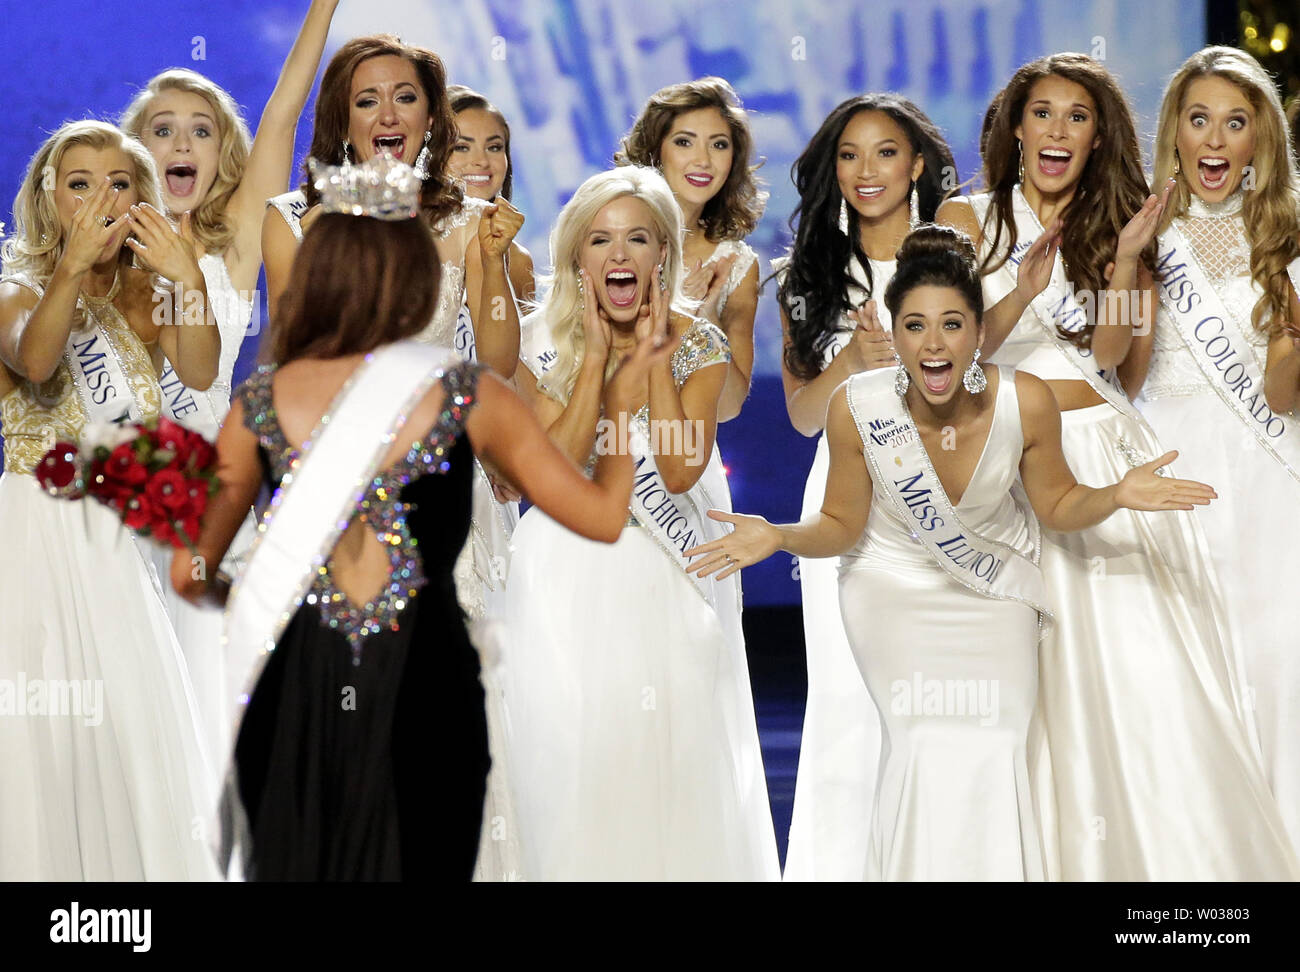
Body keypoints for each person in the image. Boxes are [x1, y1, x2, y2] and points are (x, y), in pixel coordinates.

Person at [172, 153, 666, 881]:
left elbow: (190, 571)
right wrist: (622, 405)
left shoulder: (260, 401)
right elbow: (599, 516)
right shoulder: (468, 393)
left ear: (318, 271)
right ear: (413, 274)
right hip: (428, 688)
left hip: (298, 689)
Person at [687, 225, 1224, 881]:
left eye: (951, 324)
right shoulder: (858, 407)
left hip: (993, 601)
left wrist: (1115, 493)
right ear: (897, 331)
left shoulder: (1024, 400)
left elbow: (1057, 506)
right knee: (922, 747)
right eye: (914, 326)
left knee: (995, 749)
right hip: (891, 593)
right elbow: (838, 525)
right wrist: (778, 535)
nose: (933, 342)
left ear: (977, 331)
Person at [939, 52, 1299, 879]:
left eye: (1078, 116)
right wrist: (1057, 284)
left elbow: (1115, 367)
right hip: (1040, 455)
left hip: (1168, 455)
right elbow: (957, 351)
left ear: (1101, 136)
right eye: (1043, 114)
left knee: (1242, 666)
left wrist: (1130, 261)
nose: (1057, 131)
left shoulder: (1127, 223)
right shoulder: (983, 219)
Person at [503, 166, 779, 880]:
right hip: (560, 573)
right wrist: (594, 358)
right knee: (571, 752)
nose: (619, 256)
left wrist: (654, 355)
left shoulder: (701, 344)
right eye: (600, 240)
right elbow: (551, 471)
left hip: (659, 574)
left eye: (638, 239)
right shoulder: (536, 341)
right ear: (575, 257)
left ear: (664, 255)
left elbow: (682, 468)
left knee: (666, 755)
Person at [120, 0, 337, 771]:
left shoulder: (235, 242)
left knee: (211, 719)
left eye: (201, 130)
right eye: (163, 128)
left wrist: (325, 6)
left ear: (222, 156)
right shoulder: (97, 259)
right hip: (110, 513)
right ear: (132, 153)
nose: (182, 141)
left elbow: (282, 116)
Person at [0, 120, 220, 879]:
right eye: (80, 184)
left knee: (125, 736)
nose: (99, 199)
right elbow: (35, 359)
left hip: (110, 554)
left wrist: (188, 279)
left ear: (141, 199)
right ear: (48, 198)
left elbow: (199, 369)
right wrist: (69, 270)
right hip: (33, 544)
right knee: (43, 742)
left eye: (119, 183)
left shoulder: (144, 299)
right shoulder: (14, 288)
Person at [773, 93, 957, 880]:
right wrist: (851, 362)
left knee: (946, 702)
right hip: (847, 502)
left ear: (917, 163)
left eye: (886, 152)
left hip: (950, 490)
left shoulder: (959, 261)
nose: (866, 171)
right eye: (849, 156)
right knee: (852, 700)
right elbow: (804, 418)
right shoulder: (808, 274)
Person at [1140, 46, 1300, 851]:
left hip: (1269, 481)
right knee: (1176, 678)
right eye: (1198, 119)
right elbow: (1112, 362)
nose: (1214, 140)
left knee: (1272, 670)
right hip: (1166, 471)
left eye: (1235, 123)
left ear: (1258, 141)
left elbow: (1280, 396)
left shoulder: (1289, 237)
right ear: (1175, 131)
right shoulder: (1139, 229)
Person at [616, 76, 765, 422]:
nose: (703, 161)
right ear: (656, 151)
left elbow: (727, 408)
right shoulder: (610, 232)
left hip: (686, 456)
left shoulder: (736, 264)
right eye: (685, 142)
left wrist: (705, 319)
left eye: (718, 145)